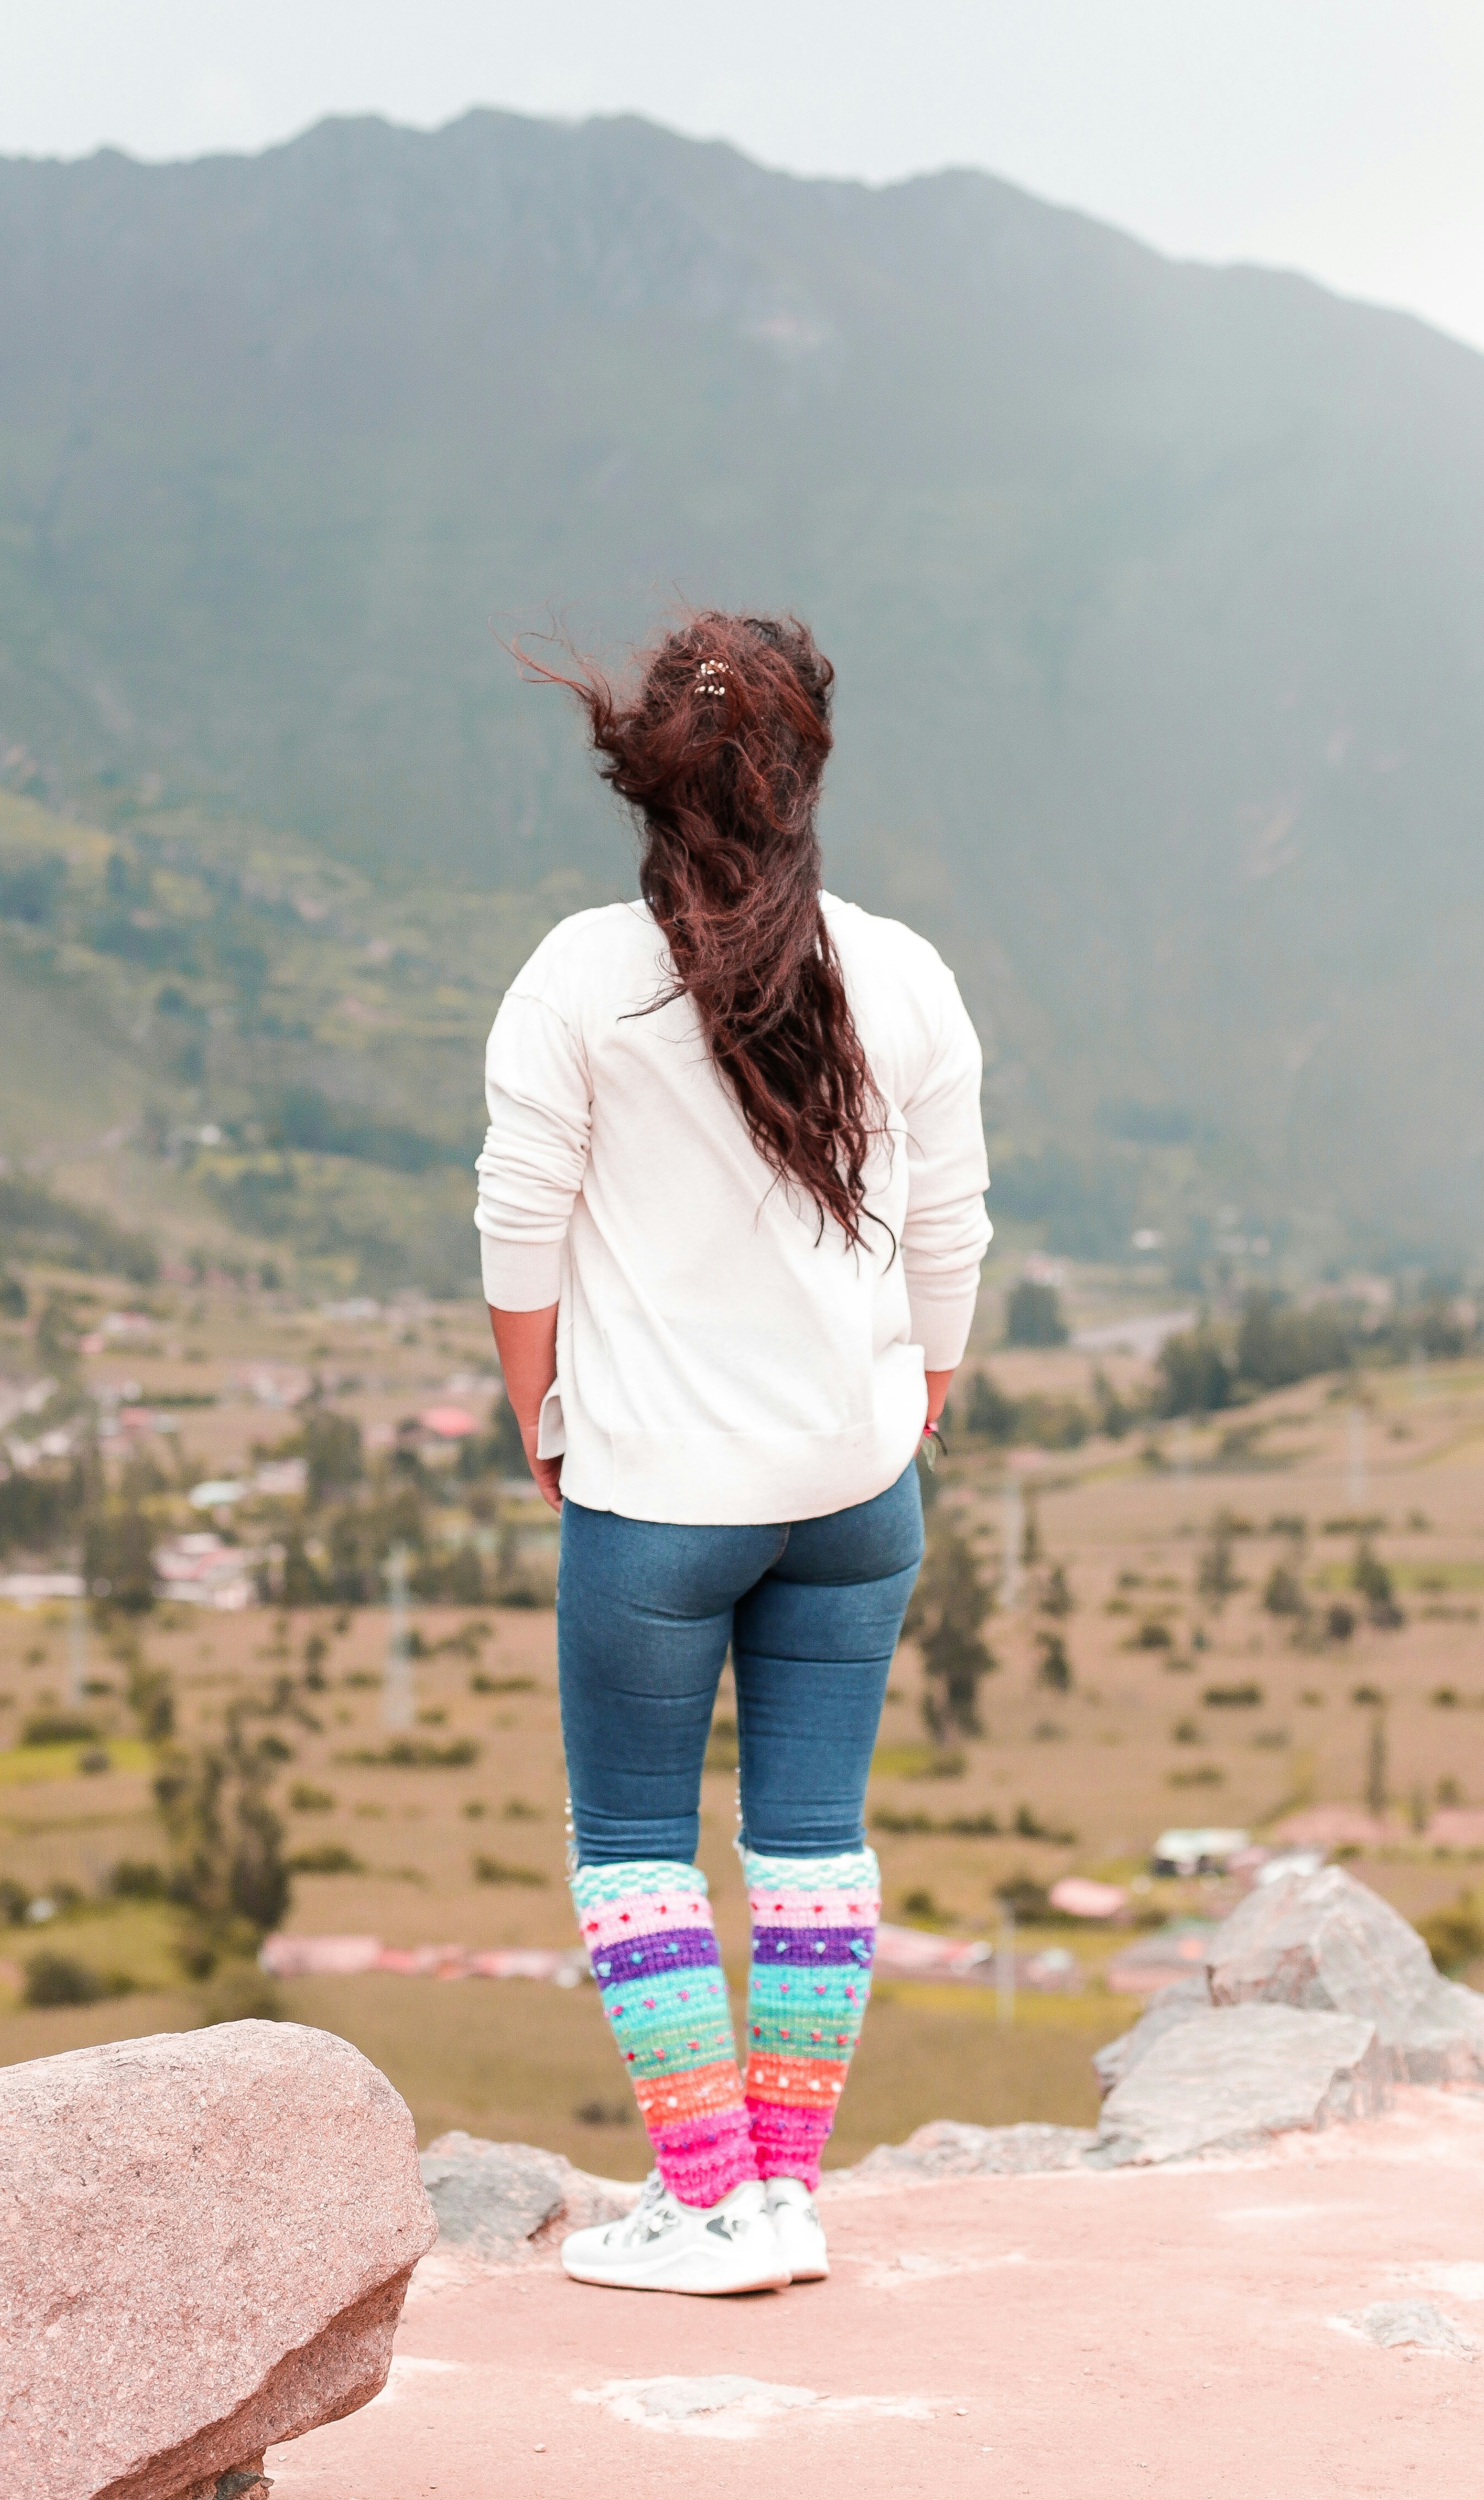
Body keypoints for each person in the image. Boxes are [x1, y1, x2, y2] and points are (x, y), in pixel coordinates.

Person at [475, 610, 990, 2296]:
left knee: (635, 1844)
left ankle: (698, 2205)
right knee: (812, 1836)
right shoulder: (901, 971)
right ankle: (782, 2195)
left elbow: (519, 1227)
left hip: (657, 1498)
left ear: (644, 777)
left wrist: (536, 1415)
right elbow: (953, 1229)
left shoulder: (578, 976)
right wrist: (920, 1388)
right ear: (810, 769)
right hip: (856, 1489)